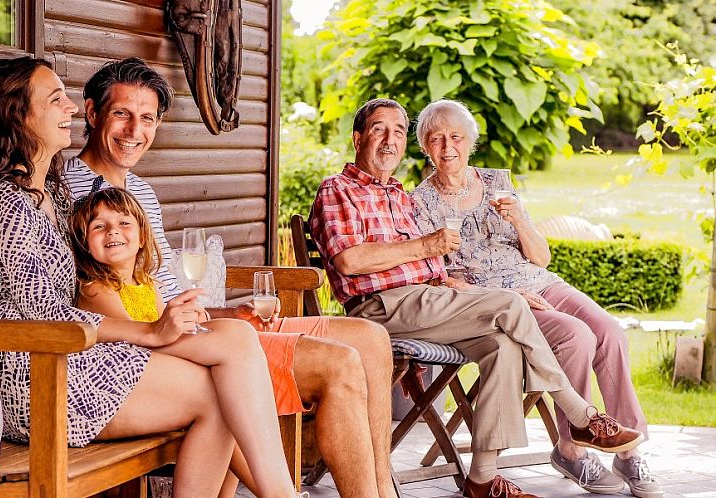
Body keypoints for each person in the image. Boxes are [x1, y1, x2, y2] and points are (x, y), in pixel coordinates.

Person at [0, 57, 302, 498]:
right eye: (55, 99)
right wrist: (150, 332)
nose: (69, 107)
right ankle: (283, 494)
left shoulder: (57, 192)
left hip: (80, 355)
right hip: (36, 374)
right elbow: (48, 316)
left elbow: (100, 277)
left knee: (236, 338)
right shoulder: (2, 206)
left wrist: (160, 320)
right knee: (220, 392)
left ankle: (282, 494)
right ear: (18, 116)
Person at [62, 57, 396, 498]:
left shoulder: (139, 191)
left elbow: (159, 288)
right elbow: (105, 302)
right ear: (91, 113)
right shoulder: (71, 194)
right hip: (160, 351)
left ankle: (383, 491)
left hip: (193, 327)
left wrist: (226, 310)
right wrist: (206, 326)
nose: (134, 130)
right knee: (339, 362)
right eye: (122, 113)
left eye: (147, 118)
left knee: (370, 337)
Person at [309, 97, 646, 498]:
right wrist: (426, 249)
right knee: (510, 304)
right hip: (384, 306)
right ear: (357, 137)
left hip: (430, 301)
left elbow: (443, 266)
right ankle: (578, 414)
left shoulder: (398, 195)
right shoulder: (338, 189)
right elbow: (349, 260)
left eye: (398, 132)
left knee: (502, 346)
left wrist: (444, 270)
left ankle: (481, 480)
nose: (389, 141)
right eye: (379, 130)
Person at [409, 99, 661, 498]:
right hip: (497, 302)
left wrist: (520, 221)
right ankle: (572, 450)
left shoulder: (497, 183)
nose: (447, 147)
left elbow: (541, 257)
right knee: (575, 336)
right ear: (425, 146)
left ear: (470, 141)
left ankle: (628, 453)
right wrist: (509, 296)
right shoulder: (419, 203)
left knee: (610, 332)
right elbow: (441, 280)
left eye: (455, 136)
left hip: (540, 281)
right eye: (436, 139)